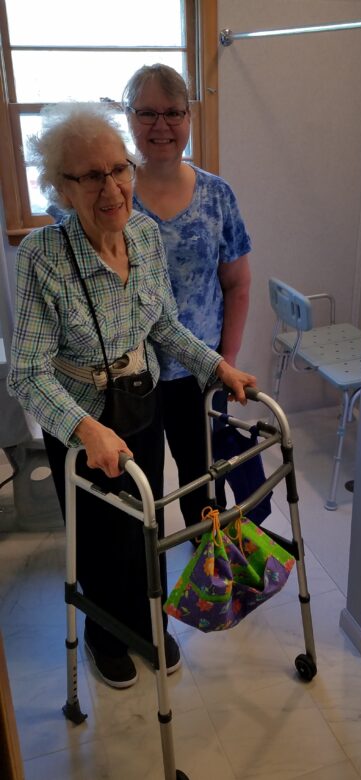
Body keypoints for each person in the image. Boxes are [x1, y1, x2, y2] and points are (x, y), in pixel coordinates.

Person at [7, 102, 256, 690]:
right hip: (81, 421)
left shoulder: (142, 234)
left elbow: (165, 327)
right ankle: (104, 634)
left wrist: (218, 365)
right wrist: (85, 430)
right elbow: (27, 372)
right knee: (98, 538)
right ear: (62, 188)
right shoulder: (40, 258)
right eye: (91, 176)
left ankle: (147, 619)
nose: (112, 187)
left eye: (118, 169)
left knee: (145, 520)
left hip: (139, 401)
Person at [122, 64, 252, 528]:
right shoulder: (112, 199)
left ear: (189, 119)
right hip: (131, 376)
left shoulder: (217, 196)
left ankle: (208, 580)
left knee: (204, 482)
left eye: (174, 113)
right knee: (141, 488)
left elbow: (237, 284)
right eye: (148, 113)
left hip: (202, 370)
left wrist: (228, 358)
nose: (162, 126)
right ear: (129, 118)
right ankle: (147, 586)